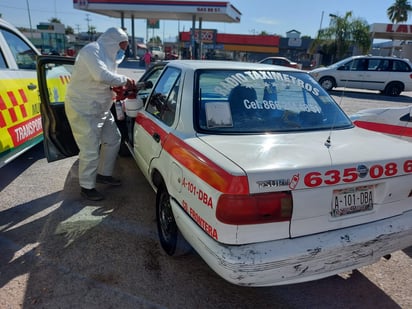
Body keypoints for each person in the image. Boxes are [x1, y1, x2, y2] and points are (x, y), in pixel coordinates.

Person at [65, 27, 134, 201]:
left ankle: (104, 174)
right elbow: (101, 75)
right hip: (83, 108)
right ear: (113, 42)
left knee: (113, 139)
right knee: (89, 150)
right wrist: (125, 80)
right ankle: (87, 187)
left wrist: (116, 89)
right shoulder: (92, 50)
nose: (122, 51)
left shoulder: (109, 57)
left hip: (101, 108)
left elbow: (106, 80)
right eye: (121, 47)